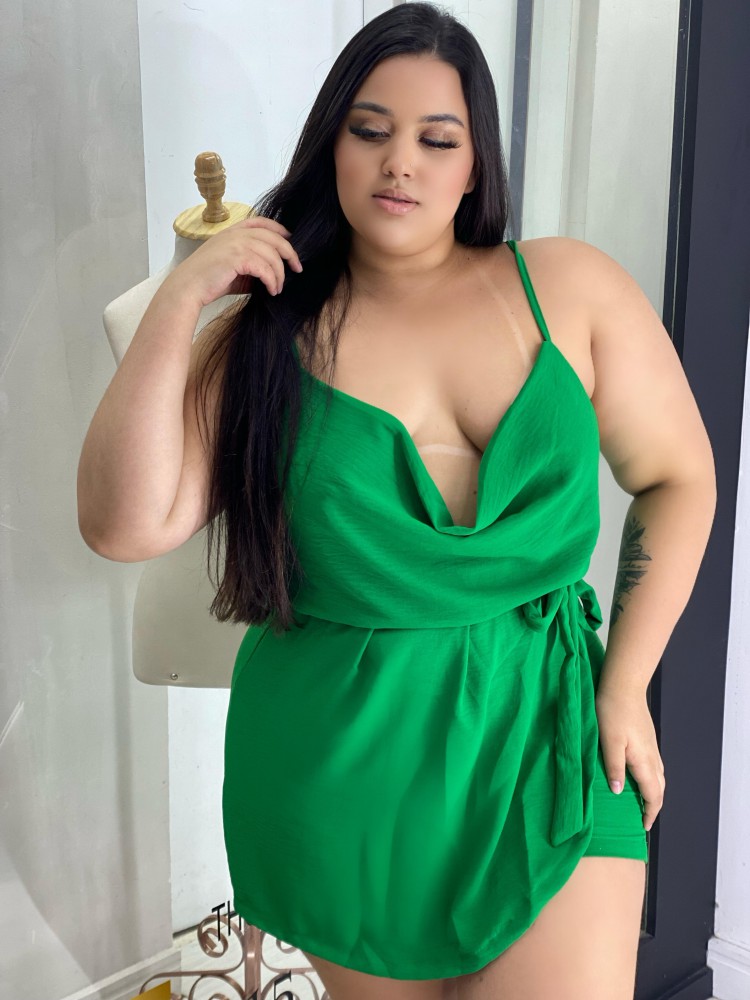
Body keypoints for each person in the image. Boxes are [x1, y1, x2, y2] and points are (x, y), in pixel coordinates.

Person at [77, 3, 717, 998]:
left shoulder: (571, 289)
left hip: (547, 730)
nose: (399, 162)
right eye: (369, 130)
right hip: (340, 770)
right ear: (332, 146)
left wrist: (625, 683)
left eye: (437, 138)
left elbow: (680, 477)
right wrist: (183, 298)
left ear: (476, 164)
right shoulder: (262, 341)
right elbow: (122, 525)